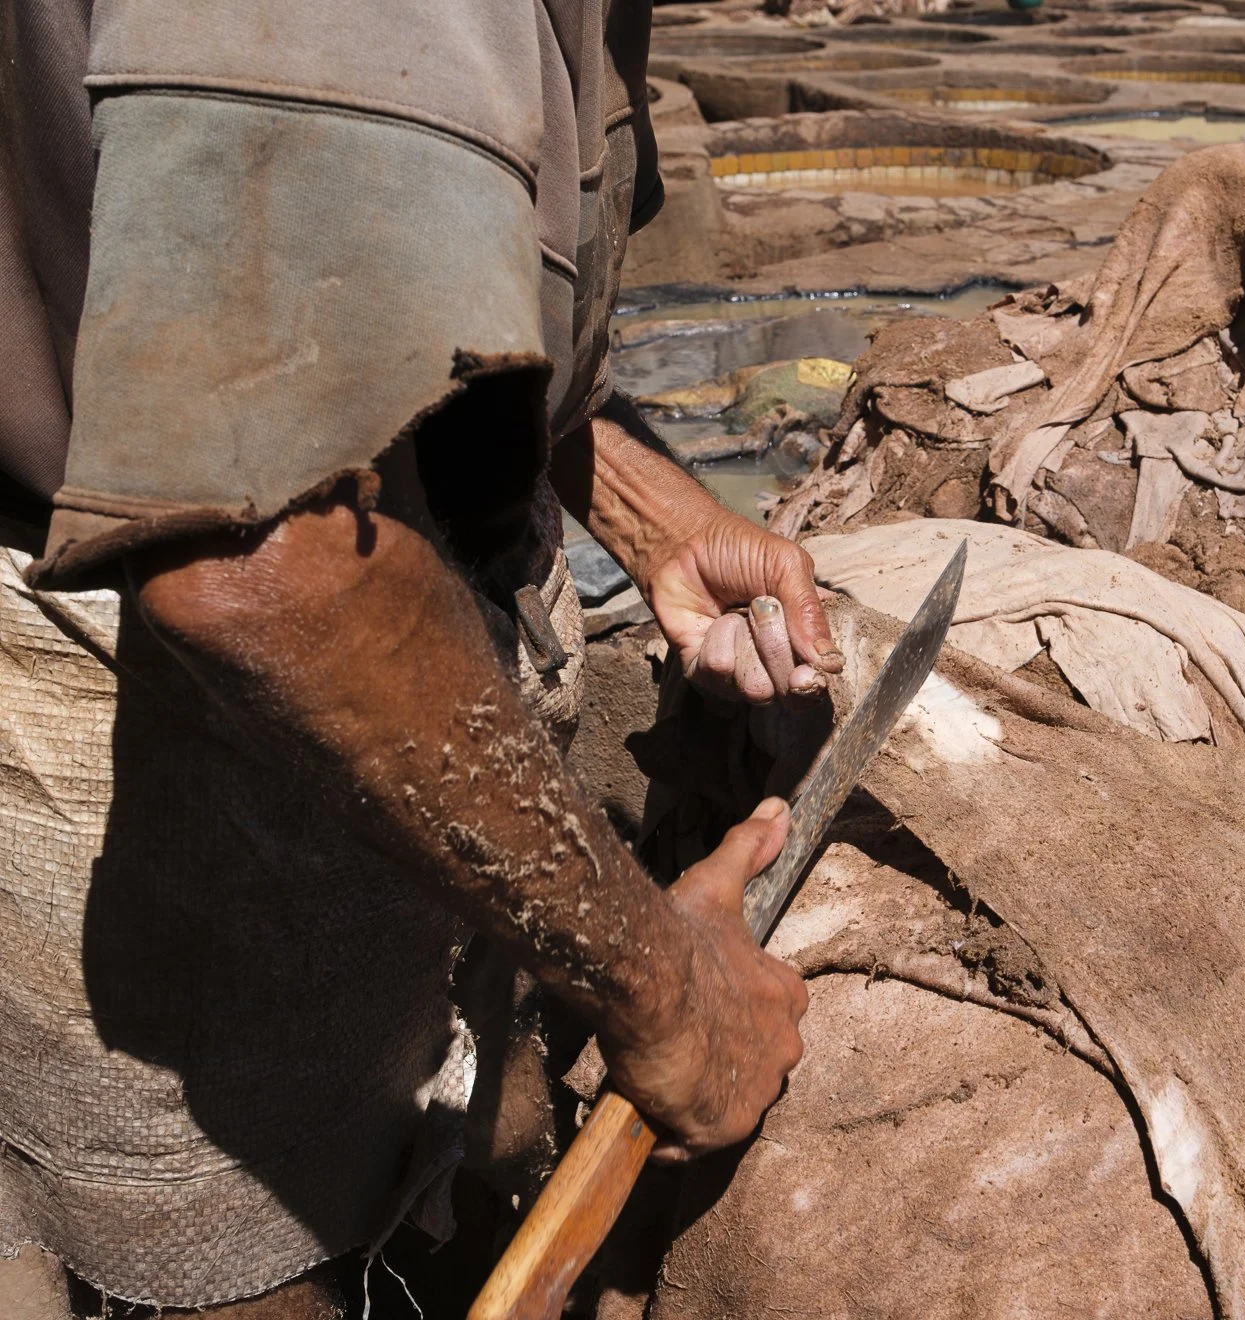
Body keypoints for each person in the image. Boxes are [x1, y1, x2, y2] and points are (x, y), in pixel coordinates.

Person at [0, 2, 816, 1313]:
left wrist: (642, 508)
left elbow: (351, 290)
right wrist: (669, 995)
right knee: (251, 1261)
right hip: (199, 731)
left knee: (430, 1182)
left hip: (348, 631)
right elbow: (263, 567)